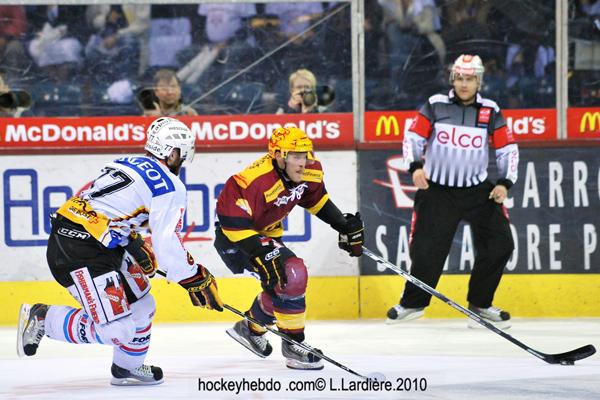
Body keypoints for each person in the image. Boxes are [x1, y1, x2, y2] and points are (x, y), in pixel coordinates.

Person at [17, 117, 223, 386]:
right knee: (119, 330)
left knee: (143, 306)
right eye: (182, 156)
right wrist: (193, 276)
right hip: (80, 250)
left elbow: (98, 204)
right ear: (173, 153)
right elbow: (167, 245)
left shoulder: (125, 161)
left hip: (93, 241)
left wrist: (133, 241)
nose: (181, 162)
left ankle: (127, 367)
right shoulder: (171, 186)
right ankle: (45, 317)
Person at [386, 54, 519, 329]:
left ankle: (480, 305)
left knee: (501, 244)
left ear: (479, 81)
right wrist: (415, 166)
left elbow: (508, 149)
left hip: (478, 191)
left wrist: (505, 182)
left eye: (469, 78)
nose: (463, 84)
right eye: (459, 78)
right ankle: (413, 304)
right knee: (425, 250)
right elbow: (412, 137)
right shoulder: (436, 105)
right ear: (452, 79)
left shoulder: (491, 111)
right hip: (437, 191)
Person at [214, 126, 364, 370]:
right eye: (295, 156)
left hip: (267, 235)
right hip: (237, 239)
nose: (302, 162)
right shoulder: (251, 181)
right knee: (292, 274)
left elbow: (316, 200)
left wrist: (344, 225)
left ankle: (251, 327)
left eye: (304, 155)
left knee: (285, 283)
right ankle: (294, 345)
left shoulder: (309, 170)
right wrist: (259, 251)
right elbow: (230, 222)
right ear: (278, 156)